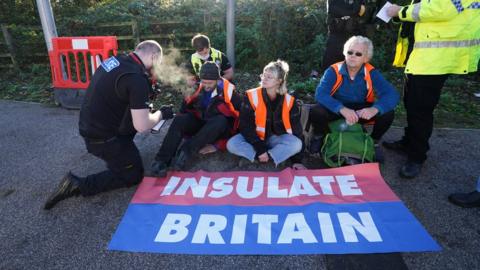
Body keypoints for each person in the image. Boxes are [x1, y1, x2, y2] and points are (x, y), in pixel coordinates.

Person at [44, 40, 173, 210]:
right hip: (103, 138)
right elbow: (142, 126)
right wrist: (161, 114)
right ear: (154, 56)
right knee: (133, 175)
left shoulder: (115, 61)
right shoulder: (136, 79)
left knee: (140, 115)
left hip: (90, 126)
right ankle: (76, 185)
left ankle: (119, 154)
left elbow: (116, 93)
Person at [384, 1, 480, 178]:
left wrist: (400, 11)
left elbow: (441, 9)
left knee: (420, 109)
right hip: (423, 56)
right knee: (411, 103)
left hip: (437, 59)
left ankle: (417, 156)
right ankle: (409, 142)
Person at [309, 36, 399, 161]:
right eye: (350, 52)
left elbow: (392, 94)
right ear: (345, 53)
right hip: (338, 110)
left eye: (358, 54)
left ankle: (374, 141)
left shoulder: (372, 72)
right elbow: (320, 94)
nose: (352, 56)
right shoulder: (333, 70)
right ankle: (320, 136)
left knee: (388, 113)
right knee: (316, 111)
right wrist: (342, 109)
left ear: (366, 58)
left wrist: (375, 109)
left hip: (360, 111)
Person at [150, 62, 241, 177]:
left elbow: (238, 124)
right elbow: (183, 111)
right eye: (204, 82)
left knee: (221, 121)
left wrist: (218, 145)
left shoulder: (230, 93)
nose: (206, 86)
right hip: (199, 123)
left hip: (216, 129)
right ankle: (161, 160)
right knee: (180, 119)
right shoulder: (195, 87)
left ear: (218, 79)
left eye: (210, 83)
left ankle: (186, 152)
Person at [227, 60, 306, 170]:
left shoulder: (290, 101)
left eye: (269, 77)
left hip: (276, 139)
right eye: (264, 75)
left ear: (279, 81)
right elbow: (245, 126)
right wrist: (259, 148)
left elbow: (297, 130)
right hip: (255, 138)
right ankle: (262, 157)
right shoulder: (251, 95)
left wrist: (298, 161)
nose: (264, 78)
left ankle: (267, 158)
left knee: (296, 144)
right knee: (232, 144)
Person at [321, 0, 368, 72]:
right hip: (337, 31)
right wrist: (354, 9)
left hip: (353, 32)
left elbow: (363, 11)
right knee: (331, 61)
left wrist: (354, 9)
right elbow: (335, 9)